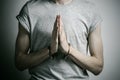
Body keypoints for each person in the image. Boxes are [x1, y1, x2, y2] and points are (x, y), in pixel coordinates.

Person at [15, 0, 104, 80]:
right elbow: (19, 63)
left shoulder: (90, 10)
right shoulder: (30, 9)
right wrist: (49, 50)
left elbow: (97, 67)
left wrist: (68, 50)